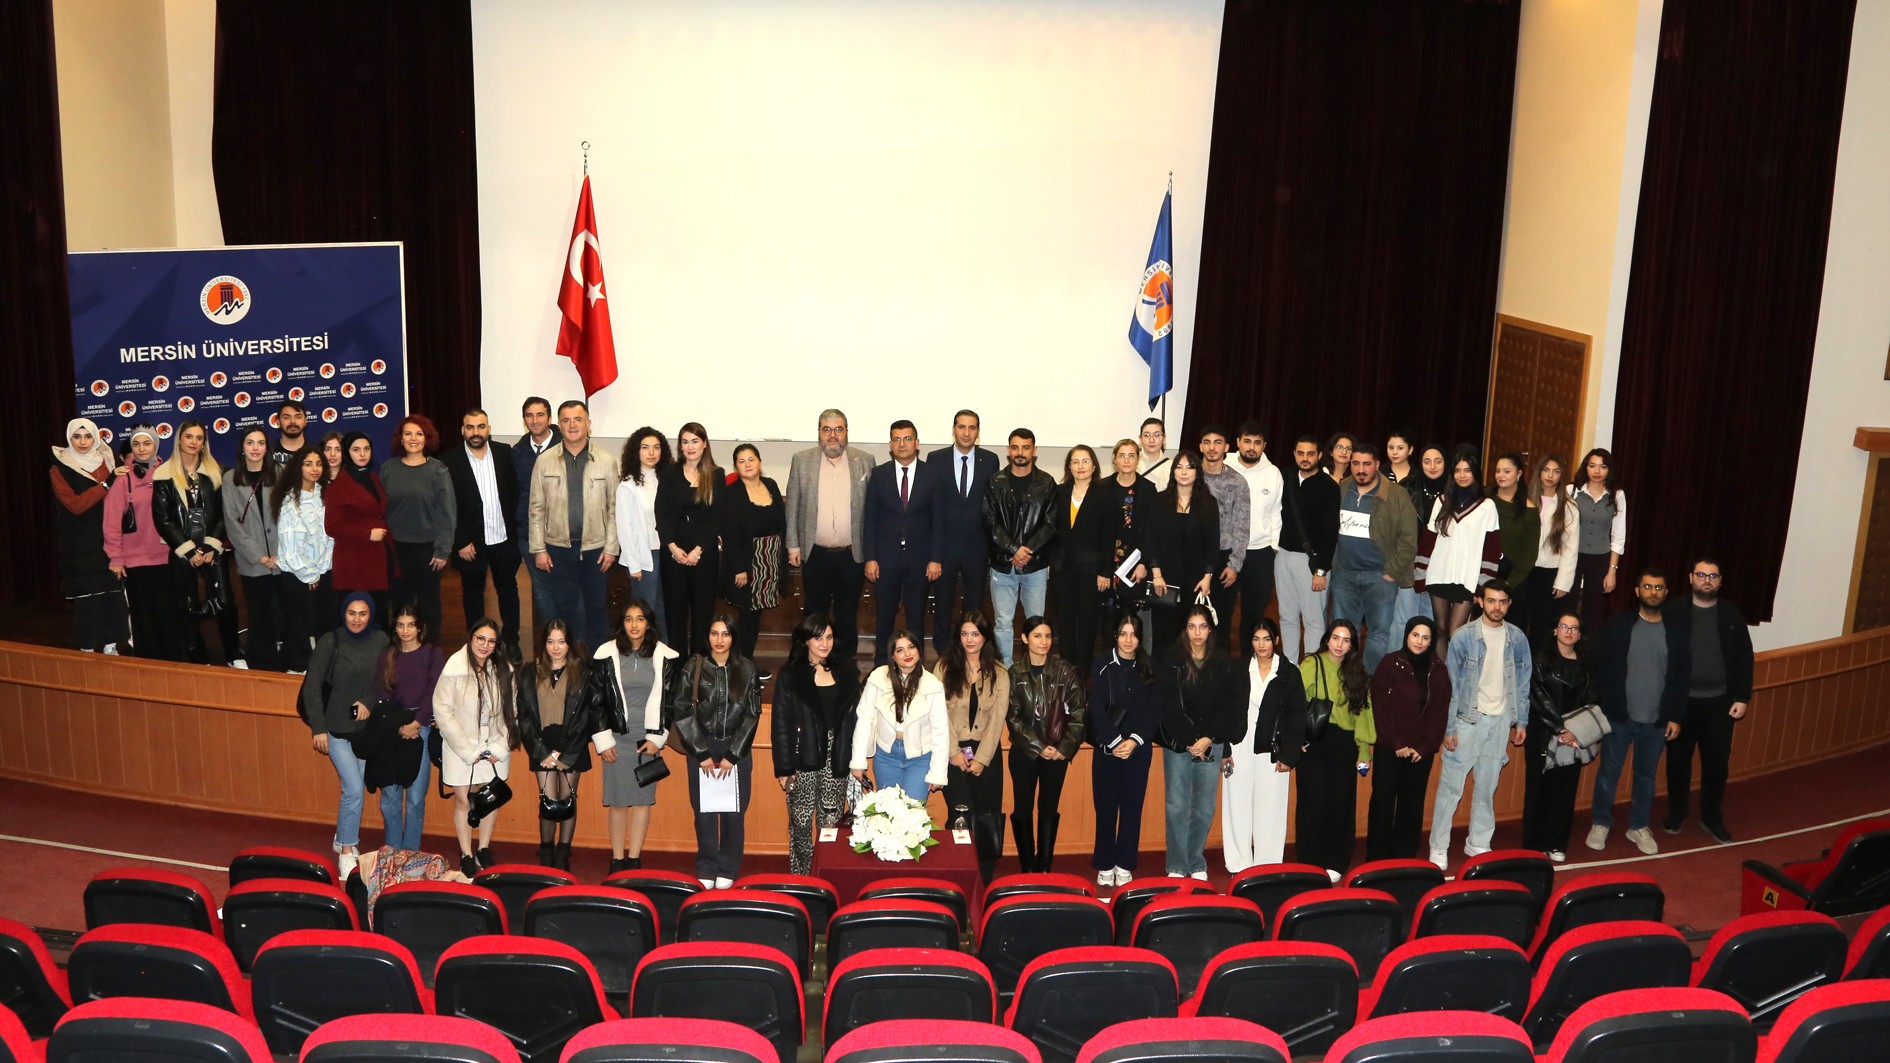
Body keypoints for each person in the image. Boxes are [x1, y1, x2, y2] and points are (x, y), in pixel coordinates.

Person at [1428, 580, 1531, 870]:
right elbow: (1451, 686)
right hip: (1467, 721)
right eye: (1491, 600)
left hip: (1501, 722)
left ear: (1509, 604)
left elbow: (1523, 683)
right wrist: (1449, 728)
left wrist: (1521, 721)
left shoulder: (1518, 638)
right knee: (1451, 788)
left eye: (1502, 601)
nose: (1497, 607)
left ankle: (1478, 841)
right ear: (1480, 601)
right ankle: (1439, 845)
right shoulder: (1463, 637)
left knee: (1487, 787)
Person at [1587, 566, 1687, 855]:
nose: (1653, 592)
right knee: (1608, 773)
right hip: (1619, 717)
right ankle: (1600, 822)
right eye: (1647, 587)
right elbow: (1601, 667)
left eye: (1658, 588)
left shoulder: (1676, 630)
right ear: (1637, 591)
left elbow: (1682, 676)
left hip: (1657, 721)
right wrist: (1606, 705)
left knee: (1646, 777)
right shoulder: (1618, 625)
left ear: (1666, 593)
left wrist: (1675, 716)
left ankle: (1638, 826)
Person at [668, 613, 763, 888]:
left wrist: (733, 754)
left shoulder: (747, 669)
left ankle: (729, 867)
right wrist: (701, 752)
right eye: (714, 633)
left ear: (734, 637)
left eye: (725, 634)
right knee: (704, 813)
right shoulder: (694, 666)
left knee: (734, 813)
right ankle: (707, 865)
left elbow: (752, 714)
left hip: (736, 748)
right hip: (702, 745)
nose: (719, 640)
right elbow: (682, 711)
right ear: (707, 636)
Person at [1663, 558, 1755, 844]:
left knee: (1716, 764)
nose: (1707, 580)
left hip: (1720, 704)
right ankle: (1677, 812)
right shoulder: (1672, 611)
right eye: (1701, 575)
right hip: (1681, 704)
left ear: (1720, 581)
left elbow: (1745, 657)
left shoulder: (1731, 614)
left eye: (1713, 576)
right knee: (1678, 763)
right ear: (1691, 578)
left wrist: (1742, 696)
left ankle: (1711, 816)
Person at [588, 598, 680, 873]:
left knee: (641, 802)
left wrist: (657, 738)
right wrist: (603, 740)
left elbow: (669, 702)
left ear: (648, 623)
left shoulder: (665, 655)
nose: (634, 625)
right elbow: (596, 701)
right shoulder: (606, 653)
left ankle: (634, 859)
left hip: (646, 740)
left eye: (640, 618)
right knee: (617, 802)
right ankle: (617, 859)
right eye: (628, 619)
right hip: (616, 739)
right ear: (622, 624)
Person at [301, 594, 391, 867]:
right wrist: (318, 729)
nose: (357, 619)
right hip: (335, 729)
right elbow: (312, 686)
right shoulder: (331, 641)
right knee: (353, 790)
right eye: (352, 613)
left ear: (371, 614)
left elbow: (385, 680)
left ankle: (342, 838)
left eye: (363, 613)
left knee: (353, 789)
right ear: (344, 613)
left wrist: (367, 701)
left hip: (364, 731)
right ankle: (347, 851)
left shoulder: (380, 640)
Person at [1159, 605, 1246, 880]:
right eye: (1192, 626)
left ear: (1210, 630)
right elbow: (1168, 706)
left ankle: (1196, 861)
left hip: (1212, 742)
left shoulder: (1223, 662)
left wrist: (1208, 738)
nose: (1197, 632)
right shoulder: (1172, 659)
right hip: (1179, 744)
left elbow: (1230, 707)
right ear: (1185, 630)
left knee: (1204, 807)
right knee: (1176, 805)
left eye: (1202, 626)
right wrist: (1190, 739)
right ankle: (1176, 863)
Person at [771, 612, 861, 876]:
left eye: (829, 637)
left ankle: (825, 875)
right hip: (803, 757)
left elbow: (857, 721)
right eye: (818, 638)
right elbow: (780, 725)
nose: (825, 643)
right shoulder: (790, 675)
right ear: (805, 640)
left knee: (830, 823)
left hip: (837, 756)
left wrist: (856, 759)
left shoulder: (847, 671)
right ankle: (802, 877)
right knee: (800, 822)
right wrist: (784, 769)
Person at [529, 400, 619, 651]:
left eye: (578, 419)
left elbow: (614, 508)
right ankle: (568, 662)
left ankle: (600, 661)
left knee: (597, 606)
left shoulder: (606, 461)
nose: (572, 425)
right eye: (566, 420)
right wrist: (539, 548)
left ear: (588, 423)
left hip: (596, 548)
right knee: (564, 606)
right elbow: (536, 508)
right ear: (558, 425)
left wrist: (611, 547)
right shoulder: (545, 461)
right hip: (557, 548)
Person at [787, 409, 874, 664]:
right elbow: (792, 506)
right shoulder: (802, 460)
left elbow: (873, 510)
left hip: (852, 554)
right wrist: (793, 545)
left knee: (847, 613)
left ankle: (845, 664)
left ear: (846, 432)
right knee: (815, 612)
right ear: (819, 433)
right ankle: (813, 662)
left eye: (838, 429)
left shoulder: (864, 460)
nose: (832, 435)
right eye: (827, 429)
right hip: (815, 553)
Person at [434, 618, 520, 876]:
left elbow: (512, 712)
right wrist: (467, 749)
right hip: (460, 747)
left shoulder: (504, 670)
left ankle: (483, 848)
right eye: (480, 638)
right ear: (471, 639)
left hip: (494, 747)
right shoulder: (454, 667)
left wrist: (499, 746)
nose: (485, 645)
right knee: (463, 801)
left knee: (490, 800)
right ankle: (466, 853)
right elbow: (442, 711)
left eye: (491, 641)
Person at [152, 420, 240, 665]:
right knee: (187, 604)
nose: (193, 442)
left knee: (226, 602)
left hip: (212, 548)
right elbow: (163, 518)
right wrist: (188, 551)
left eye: (199, 438)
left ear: (204, 443)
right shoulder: (164, 474)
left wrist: (212, 544)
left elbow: (225, 512)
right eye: (189, 436)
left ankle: (233, 655)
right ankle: (197, 657)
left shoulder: (217, 471)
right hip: (182, 549)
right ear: (179, 439)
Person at [1223, 616, 1304, 873]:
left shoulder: (1289, 673)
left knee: (1271, 806)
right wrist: (1225, 749)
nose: (1261, 645)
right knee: (1237, 803)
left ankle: (1267, 865)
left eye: (1267, 639)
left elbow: (1296, 716)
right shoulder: (1238, 669)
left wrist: (1288, 755)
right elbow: (1225, 710)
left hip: (1274, 746)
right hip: (1240, 742)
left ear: (1276, 640)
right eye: (1256, 639)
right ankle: (1238, 864)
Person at [1006, 616, 1087, 872]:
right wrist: (1038, 746)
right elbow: (1013, 718)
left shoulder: (1066, 671)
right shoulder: (1014, 673)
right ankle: (1027, 866)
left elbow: (1079, 714)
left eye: (1048, 636)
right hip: (1025, 752)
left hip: (1057, 753)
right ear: (1025, 638)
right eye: (1037, 635)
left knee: (1049, 809)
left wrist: (1064, 748)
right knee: (1022, 809)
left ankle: (1044, 866)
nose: (1044, 641)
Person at [1295, 620, 1375, 877]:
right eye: (1336, 638)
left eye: (1346, 640)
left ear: (1352, 645)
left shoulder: (1356, 671)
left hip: (1345, 743)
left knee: (1341, 802)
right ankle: (1309, 860)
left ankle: (1335, 861)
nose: (1340, 645)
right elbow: (1293, 702)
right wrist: (1296, 738)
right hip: (1315, 739)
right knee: (1312, 801)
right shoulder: (1311, 664)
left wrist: (1363, 750)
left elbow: (1363, 712)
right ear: (1327, 639)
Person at [1329, 442, 1419, 672]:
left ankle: (1371, 682)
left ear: (1377, 465)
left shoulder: (1396, 494)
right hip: (1344, 575)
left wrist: (1392, 571)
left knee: (1378, 634)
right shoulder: (1341, 489)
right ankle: (1344, 679)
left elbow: (1409, 539)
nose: (1361, 469)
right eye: (1356, 464)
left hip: (1380, 577)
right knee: (1343, 632)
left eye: (1366, 464)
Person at [440, 409, 522, 659]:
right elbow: (447, 505)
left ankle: (511, 640)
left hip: (503, 538)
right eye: (470, 427)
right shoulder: (449, 460)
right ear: (462, 431)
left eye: (481, 426)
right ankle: (476, 643)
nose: (476, 432)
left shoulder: (504, 453)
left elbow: (514, 492)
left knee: (508, 590)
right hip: (470, 543)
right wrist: (460, 540)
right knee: (473, 594)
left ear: (489, 429)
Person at [516, 619, 596, 870]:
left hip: (573, 743)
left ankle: (563, 851)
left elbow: (587, 715)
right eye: (551, 641)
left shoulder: (583, 671)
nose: (556, 647)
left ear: (569, 643)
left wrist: (564, 750)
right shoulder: (530, 670)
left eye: (561, 641)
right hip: (541, 744)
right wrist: (542, 751)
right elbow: (524, 714)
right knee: (548, 801)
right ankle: (546, 849)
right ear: (544, 643)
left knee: (568, 798)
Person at [1367, 617, 1450, 860]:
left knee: (1412, 805)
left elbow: (1440, 713)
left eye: (1425, 637)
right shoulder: (1390, 663)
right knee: (1382, 803)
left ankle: (1404, 857)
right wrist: (1397, 742)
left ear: (1431, 641)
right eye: (1415, 635)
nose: (1419, 641)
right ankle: (1377, 858)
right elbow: (1379, 707)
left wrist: (1424, 747)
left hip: (1419, 754)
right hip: (1389, 748)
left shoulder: (1438, 670)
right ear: (1406, 635)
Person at [863, 421, 944, 666]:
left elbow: (939, 520)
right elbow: (870, 519)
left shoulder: (932, 474)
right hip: (885, 560)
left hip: (920, 561)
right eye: (897, 439)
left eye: (907, 439)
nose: (902, 444)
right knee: (884, 619)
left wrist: (935, 558)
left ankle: (915, 668)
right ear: (890, 444)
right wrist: (870, 557)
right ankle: (881, 667)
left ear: (917, 443)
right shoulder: (879, 474)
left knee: (916, 620)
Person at [1088, 612, 1161, 886]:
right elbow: (1095, 707)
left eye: (1133, 635)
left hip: (1137, 751)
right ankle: (1105, 863)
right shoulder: (1102, 663)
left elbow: (1153, 711)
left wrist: (1133, 741)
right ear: (1115, 636)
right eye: (1123, 634)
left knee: (1132, 810)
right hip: (1108, 750)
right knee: (1106, 809)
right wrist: (1115, 740)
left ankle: (1125, 863)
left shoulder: (1150, 666)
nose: (1128, 640)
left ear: (1140, 638)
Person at [1521, 610, 1599, 862]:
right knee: (1539, 788)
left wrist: (1576, 731)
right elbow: (1538, 696)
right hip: (1544, 733)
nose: (1569, 632)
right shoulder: (1540, 658)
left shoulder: (1587, 663)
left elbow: (1593, 698)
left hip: (1574, 736)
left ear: (1580, 634)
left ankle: (1556, 843)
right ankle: (1534, 844)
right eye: (1564, 626)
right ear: (1555, 630)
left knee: (1565, 791)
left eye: (1574, 628)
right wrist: (1560, 728)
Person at [937, 613, 1009, 881]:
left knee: (986, 815)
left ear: (985, 637)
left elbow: (998, 720)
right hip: (952, 753)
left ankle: (985, 878)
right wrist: (954, 751)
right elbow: (938, 715)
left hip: (986, 754)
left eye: (975, 634)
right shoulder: (944, 667)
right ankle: (958, 875)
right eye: (964, 634)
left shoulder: (1000, 672)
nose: (969, 640)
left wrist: (982, 759)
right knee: (960, 815)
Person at [369, 603, 444, 852]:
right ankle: (392, 851)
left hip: (421, 729)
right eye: (400, 625)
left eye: (410, 625)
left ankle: (410, 853)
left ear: (420, 627)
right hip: (392, 730)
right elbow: (381, 695)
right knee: (390, 795)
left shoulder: (432, 654)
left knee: (415, 797)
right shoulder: (387, 655)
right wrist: (398, 725)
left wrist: (417, 722)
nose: (405, 630)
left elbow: (434, 692)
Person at [51, 418, 127, 654]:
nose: (82, 442)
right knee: (88, 601)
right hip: (79, 544)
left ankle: (111, 645)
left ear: (95, 438)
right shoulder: (59, 467)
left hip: (109, 540)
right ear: (69, 438)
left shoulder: (108, 460)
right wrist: (106, 484)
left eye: (88, 436)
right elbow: (75, 505)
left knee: (113, 598)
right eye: (77, 436)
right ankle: (87, 648)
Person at [104, 426, 180, 660]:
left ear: (155, 445)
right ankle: (148, 664)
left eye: (147, 443)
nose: (142, 448)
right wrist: (116, 557)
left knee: (169, 614)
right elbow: (111, 521)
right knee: (143, 616)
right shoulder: (123, 478)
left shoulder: (168, 472)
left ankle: (173, 662)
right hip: (136, 559)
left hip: (167, 556)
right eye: (136, 444)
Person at [983, 429, 1058, 666]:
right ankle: (1006, 670)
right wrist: (1013, 549)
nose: (1020, 453)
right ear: (1008, 450)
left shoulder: (1046, 482)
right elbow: (989, 521)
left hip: (1035, 566)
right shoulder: (996, 481)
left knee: (1036, 623)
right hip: (1002, 565)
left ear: (1034, 450)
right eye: (1015, 447)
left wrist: (1027, 551)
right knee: (1003, 623)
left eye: (1025, 447)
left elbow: (1051, 524)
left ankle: (1035, 669)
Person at [1415, 445, 1502, 646]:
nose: (1462, 475)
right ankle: (1440, 668)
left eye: (1467, 470)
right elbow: (1428, 540)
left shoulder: (1487, 505)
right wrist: (1420, 575)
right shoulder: (1442, 501)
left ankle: (1456, 668)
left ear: (1475, 473)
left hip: (1467, 579)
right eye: (1458, 470)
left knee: (1456, 633)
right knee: (1440, 629)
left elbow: (1491, 550)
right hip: (1439, 574)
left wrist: (1484, 586)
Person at [927, 410, 998, 657]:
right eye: (961, 427)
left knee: (974, 605)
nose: (966, 433)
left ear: (978, 431)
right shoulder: (936, 459)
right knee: (942, 603)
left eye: (972, 427)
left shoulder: (990, 460)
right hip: (944, 546)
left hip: (977, 547)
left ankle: (971, 651)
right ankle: (943, 652)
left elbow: (992, 504)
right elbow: (933, 505)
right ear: (954, 430)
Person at [850, 629, 950, 802]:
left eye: (911, 647)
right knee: (888, 813)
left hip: (920, 759)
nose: (907, 654)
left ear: (919, 649)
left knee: (914, 813)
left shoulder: (933, 684)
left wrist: (938, 772)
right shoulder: (878, 678)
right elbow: (864, 719)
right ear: (892, 656)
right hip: (886, 757)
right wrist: (858, 761)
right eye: (900, 650)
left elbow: (940, 730)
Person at [379, 416, 455, 641]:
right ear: (400, 439)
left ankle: (430, 648)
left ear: (427, 439)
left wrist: (443, 550)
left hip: (427, 550)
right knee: (399, 601)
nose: (413, 438)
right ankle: (401, 648)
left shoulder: (438, 470)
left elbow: (447, 513)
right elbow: (379, 510)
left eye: (419, 434)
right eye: (408, 434)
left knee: (429, 603)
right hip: (395, 549)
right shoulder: (388, 469)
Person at [716, 443, 787, 669]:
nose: (747, 464)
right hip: (747, 563)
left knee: (756, 616)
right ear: (736, 467)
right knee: (747, 616)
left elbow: (781, 523)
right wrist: (739, 568)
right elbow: (729, 533)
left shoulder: (771, 484)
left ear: (760, 462)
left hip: (770, 560)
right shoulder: (731, 493)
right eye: (741, 461)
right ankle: (742, 666)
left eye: (751, 459)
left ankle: (745, 664)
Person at [1143, 451, 1221, 654]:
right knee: (1163, 634)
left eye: (1189, 467)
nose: (1184, 472)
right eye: (1179, 467)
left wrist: (1208, 577)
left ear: (1197, 472)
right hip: (1164, 580)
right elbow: (1151, 539)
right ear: (1173, 472)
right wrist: (1156, 574)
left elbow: (1212, 543)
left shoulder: (1208, 503)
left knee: (1190, 635)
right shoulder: (1159, 501)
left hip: (1195, 580)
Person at [655, 422, 721, 656]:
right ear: (680, 446)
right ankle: (677, 666)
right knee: (675, 614)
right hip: (674, 554)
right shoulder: (669, 473)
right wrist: (673, 547)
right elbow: (661, 513)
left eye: (695, 441)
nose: (690, 447)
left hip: (704, 555)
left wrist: (698, 550)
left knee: (703, 614)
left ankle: (699, 666)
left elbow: (716, 518)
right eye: (685, 442)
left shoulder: (716, 474)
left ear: (705, 444)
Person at [224, 426, 285, 670]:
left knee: (280, 611)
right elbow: (232, 523)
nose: (255, 448)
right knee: (257, 612)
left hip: (281, 559)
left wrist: (281, 553)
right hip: (251, 561)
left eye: (260, 443)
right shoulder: (230, 478)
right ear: (242, 447)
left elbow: (290, 516)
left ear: (267, 447)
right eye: (250, 443)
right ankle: (259, 663)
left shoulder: (280, 473)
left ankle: (280, 661)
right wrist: (258, 556)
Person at [1049, 444, 1112, 674]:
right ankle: (1066, 675)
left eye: (1085, 461)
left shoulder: (1104, 494)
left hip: (1091, 572)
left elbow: (1108, 536)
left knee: (1087, 625)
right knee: (1065, 623)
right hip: (1062, 569)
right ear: (1069, 466)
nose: (1080, 466)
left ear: (1094, 466)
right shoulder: (1059, 492)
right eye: (1075, 462)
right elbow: (1051, 530)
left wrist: (1105, 572)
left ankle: (1082, 675)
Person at [1276, 435, 1339, 663]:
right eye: (1300, 453)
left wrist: (1321, 570)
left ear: (1319, 455)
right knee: (1287, 617)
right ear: (1294, 454)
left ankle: (1312, 670)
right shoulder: (1285, 477)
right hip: (1283, 556)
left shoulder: (1329, 487)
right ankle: (1290, 668)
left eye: (1310, 454)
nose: (1305, 458)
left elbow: (1331, 533)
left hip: (1312, 562)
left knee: (1313, 621)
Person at [273, 447, 333, 673]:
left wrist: (322, 569)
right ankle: (296, 667)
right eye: (308, 464)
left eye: (318, 463)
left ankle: (319, 665)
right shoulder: (290, 500)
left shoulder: (324, 494)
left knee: (321, 622)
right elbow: (289, 546)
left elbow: (330, 536)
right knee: (298, 624)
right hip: (297, 573)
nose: (314, 469)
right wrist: (309, 574)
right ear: (298, 468)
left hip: (322, 571)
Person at [325, 431, 393, 619]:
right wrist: (367, 534)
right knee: (357, 617)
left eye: (366, 449)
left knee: (379, 614)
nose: (362, 454)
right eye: (356, 449)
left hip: (378, 556)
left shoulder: (373, 477)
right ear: (347, 452)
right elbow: (332, 527)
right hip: (354, 560)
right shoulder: (339, 485)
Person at [614, 427, 672, 645]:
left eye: (656, 447)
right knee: (645, 612)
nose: (651, 453)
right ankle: (643, 654)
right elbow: (625, 528)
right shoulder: (628, 485)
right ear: (636, 451)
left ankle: (664, 655)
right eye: (645, 447)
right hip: (644, 557)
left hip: (667, 553)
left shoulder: (666, 479)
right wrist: (633, 564)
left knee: (664, 610)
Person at [1197, 426, 1251, 650]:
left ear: (1227, 447)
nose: (1212, 447)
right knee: (1189, 617)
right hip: (1193, 555)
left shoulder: (1237, 482)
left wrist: (1235, 564)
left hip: (1223, 560)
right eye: (1207, 442)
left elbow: (1242, 525)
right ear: (1200, 446)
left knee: (1220, 620)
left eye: (1217, 442)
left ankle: (1219, 667)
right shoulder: (1190, 476)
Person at [1230, 422, 1282, 649]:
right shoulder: (1224, 465)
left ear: (1264, 445)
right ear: (1238, 442)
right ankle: (1219, 661)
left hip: (1260, 553)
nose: (1251, 447)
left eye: (1257, 443)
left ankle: (1248, 660)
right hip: (1228, 551)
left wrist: (1273, 547)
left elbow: (1277, 512)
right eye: (1247, 441)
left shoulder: (1273, 473)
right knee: (1222, 610)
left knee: (1253, 613)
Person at [514, 396, 560, 644]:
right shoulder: (517, 453)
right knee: (542, 591)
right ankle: (550, 644)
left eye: (540, 414)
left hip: (563, 534)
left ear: (549, 418)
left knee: (567, 591)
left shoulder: (567, 447)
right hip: (529, 534)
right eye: (529, 415)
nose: (535, 420)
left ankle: (571, 644)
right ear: (524, 420)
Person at [1570, 448, 1627, 636]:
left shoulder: (1617, 495)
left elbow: (1618, 536)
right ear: (1585, 468)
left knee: (1593, 609)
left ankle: (1588, 648)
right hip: (1572, 555)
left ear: (1609, 470)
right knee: (1568, 604)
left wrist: (1612, 571)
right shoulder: (1572, 491)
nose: (1597, 471)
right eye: (1592, 466)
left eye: (1602, 467)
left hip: (1600, 557)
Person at [1390, 444, 1447, 631]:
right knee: (1403, 619)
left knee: (1431, 621)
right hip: (1409, 562)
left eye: (1438, 461)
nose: (1432, 466)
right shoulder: (1407, 486)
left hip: (1440, 565)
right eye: (1427, 461)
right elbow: (1393, 526)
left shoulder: (1453, 491)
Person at [1527, 454, 1579, 648]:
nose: (1550, 475)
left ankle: (1538, 663)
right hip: (1524, 569)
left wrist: (1563, 581)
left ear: (1561, 475)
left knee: (1541, 625)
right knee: (1519, 619)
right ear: (1539, 472)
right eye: (1546, 470)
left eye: (1556, 471)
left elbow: (1571, 547)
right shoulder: (1525, 498)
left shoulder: (1569, 506)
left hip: (1549, 571)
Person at [1487, 453, 1540, 639]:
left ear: (1519, 474)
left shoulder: (1529, 510)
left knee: (1512, 635)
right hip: (1485, 574)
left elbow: (1529, 555)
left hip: (1516, 580)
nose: (1501, 475)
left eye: (1506, 471)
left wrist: (1508, 584)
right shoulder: (1485, 499)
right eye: (1498, 471)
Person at [1104, 440, 1155, 619]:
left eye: (1131, 456)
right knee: (1107, 616)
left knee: (1130, 617)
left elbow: (1152, 530)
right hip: (1108, 562)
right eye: (1122, 456)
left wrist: (1144, 564)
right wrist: (1102, 569)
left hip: (1135, 564)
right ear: (1115, 459)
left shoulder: (1148, 489)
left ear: (1138, 459)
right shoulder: (1102, 487)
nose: (1126, 460)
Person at [268, 399, 309, 470]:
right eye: (286, 417)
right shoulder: (268, 452)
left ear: (306, 421)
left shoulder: (316, 451)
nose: (293, 421)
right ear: (278, 422)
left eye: (298, 417)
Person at [1136, 417, 1172, 490]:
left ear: (1164, 438)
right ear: (1140, 438)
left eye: (1156, 435)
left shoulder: (1172, 466)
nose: (1151, 440)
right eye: (1147, 435)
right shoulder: (1130, 462)